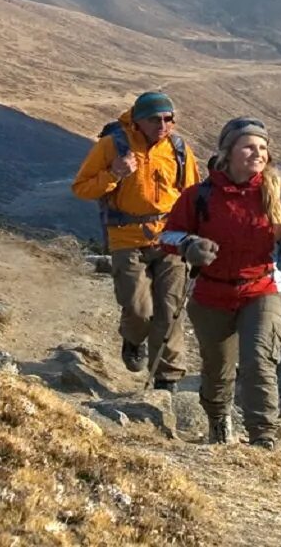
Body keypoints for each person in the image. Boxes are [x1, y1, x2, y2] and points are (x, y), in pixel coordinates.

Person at [161, 116, 281, 446]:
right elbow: (168, 235)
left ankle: (263, 437)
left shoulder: (278, 194)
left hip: (262, 289)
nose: (257, 153)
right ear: (227, 152)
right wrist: (189, 245)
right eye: (248, 146)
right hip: (211, 295)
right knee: (217, 369)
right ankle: (218, 421)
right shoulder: (199, 196)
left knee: (259, 361)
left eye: (263, 147)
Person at [70, 91, 201, 388]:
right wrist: (114, 174)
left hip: (171, 238)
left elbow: (192, 195)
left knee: (170, 309)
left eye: (169, 119)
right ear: (138, 120)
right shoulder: (112, 146)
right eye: (156, 119)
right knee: (139, 309)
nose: (163, 125)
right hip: (126, 237)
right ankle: (132, 338)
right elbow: (81, 188)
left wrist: (195, 235)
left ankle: (165, 380)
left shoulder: (178, 148)